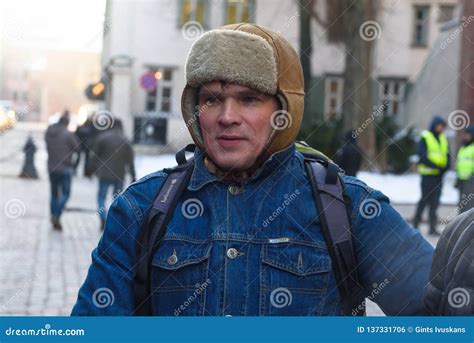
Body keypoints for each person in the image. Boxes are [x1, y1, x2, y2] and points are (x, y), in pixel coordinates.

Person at [72, 24, 434, 316]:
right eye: (212, 99)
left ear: (284, 110)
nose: (227, 117)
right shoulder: (141, 208)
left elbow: (440, 317)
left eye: (249, 99)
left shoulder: (345, 207)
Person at [90, 119, 136, 230]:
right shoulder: (125, 140)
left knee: (101, 196)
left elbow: (94, 156)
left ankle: (103, 216)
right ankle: (113, 221)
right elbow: (130, 160)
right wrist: (133, 175)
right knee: (117, 199)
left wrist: (91, 169)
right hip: (119, 174)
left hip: (104, 173)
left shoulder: (103, 137)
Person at [413, 116, 451, 236]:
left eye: (442, 127)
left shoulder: (443, 138)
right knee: (424, 200)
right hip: (428, 175)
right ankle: (415, 224)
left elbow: (447, 155)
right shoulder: (425, 137)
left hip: (439, 176)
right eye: (439, 126)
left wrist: (446, 167)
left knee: (435, 202)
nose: (441, 128)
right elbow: (422, 156)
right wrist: (436, 167)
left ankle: (432, 228)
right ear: (434, 125)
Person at [45, 115, 80, 230]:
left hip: (51, 167)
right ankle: (56, 215)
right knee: (66, 194)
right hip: (65, 167)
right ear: (66, 123)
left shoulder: (48, 133)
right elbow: (78, 148)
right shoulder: (68, 134)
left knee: (54, 194)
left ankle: (53, 215)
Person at [455, 125, 474, 213]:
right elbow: (459, 163)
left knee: (469, 205)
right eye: (465, 134)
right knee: (461, 204)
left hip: (471, 180)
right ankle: (462, 224)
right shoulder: (463, 148)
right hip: (462, 180)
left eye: (468, 135)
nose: (466, 137)